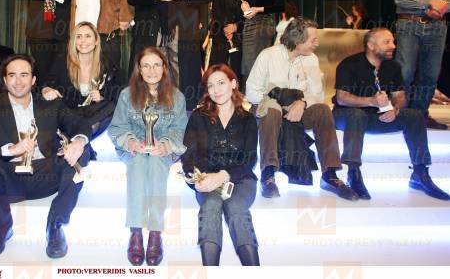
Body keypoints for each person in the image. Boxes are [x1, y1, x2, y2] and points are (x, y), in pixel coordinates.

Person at [0, 54, 93, 259]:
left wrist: (78, 142)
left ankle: (55, 227)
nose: (18, 81)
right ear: (5, 80)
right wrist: (11, 150)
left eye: (24, 75)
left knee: (82, 152)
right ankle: (2, 228)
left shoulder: (50, 104)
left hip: (46, 174)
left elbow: (81, 124)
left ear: (33, 80)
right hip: (9, 178)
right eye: (12, 75)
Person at [245, 17, 358, 201]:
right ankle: (268, 174)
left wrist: (302, 103)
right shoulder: (268, 55)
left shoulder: (311, 59)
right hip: (268, 111)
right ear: (297, 40)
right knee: (272, 111)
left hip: (298, 113)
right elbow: (251, 92)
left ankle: (329, 174)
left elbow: (317, 95)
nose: (317, 43)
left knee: (322, 110)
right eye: (313, 40)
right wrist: (283, 104)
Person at [333, 28, 449, 200]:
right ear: (371, 45)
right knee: (357, 116)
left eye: (393, 41)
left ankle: (420, 173)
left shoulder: (392, 66)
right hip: (346, 116)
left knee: (414, 115)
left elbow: (400, 97)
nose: (393, 46)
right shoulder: (349, 64)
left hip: (376, 116)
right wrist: (371, 101)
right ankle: (353, 173)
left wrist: (395, 109)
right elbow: (342, 98)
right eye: (387, 42)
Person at [108, 47, 187, 266]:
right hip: (134, 148)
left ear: (164, 68)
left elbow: (180, 129)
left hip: (163, 150)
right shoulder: (126, 95)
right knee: (138, 164)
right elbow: (117, 127)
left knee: (156, 164)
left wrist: (166, 145)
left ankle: (155, 232)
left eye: (156, 65)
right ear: (139, 70)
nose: (151, 71)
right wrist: (131, 142)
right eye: (146, 66)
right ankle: (135, 231)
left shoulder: (177, 97)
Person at [182, 64, 260, 266]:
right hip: (207, 180)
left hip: (241, 180)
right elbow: (188, 157)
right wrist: (197, 179)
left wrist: (223, 175)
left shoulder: (247, 120)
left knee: (236, 206)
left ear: (233, 83)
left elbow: (249, 159)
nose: (216, 90)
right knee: (210, 205)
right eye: (210, 85)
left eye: (221, 83)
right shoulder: (198, 117)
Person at [393, 0, 450, 130]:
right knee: (405, 72)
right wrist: (429, 4)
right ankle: (400, 114)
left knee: (430, 75)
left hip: (437, 28)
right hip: (409, 25)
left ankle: (419, 116)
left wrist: (444, 7)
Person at [41, 21, 120, 138]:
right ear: (74, 41)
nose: (83, 41)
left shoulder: (105, 65)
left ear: (96, 41)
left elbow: (114, 95)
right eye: (78, 37)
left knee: (110, 107)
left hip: (92, 115)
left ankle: (80, 136)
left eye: (88, 36)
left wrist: (100, 98)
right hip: (68, 114)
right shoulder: (62, 61)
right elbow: (45, 84)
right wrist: (46, 90)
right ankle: (82, 137)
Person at [240, 0, 285, 79]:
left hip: (263, 25)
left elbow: (280, 6)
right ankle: (249, 88)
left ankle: (257, 88)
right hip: (249, 25)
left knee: (256, 62)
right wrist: (244, 6)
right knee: (247, 63)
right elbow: (247, 3)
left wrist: (258, 9)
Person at [208, 0, 251, 80]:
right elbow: (216, 10)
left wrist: (236, 27)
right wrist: (227, 28)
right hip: (221, 34)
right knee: (216, 71)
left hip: (243, 36)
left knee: (238, 75)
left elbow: (253, 14)